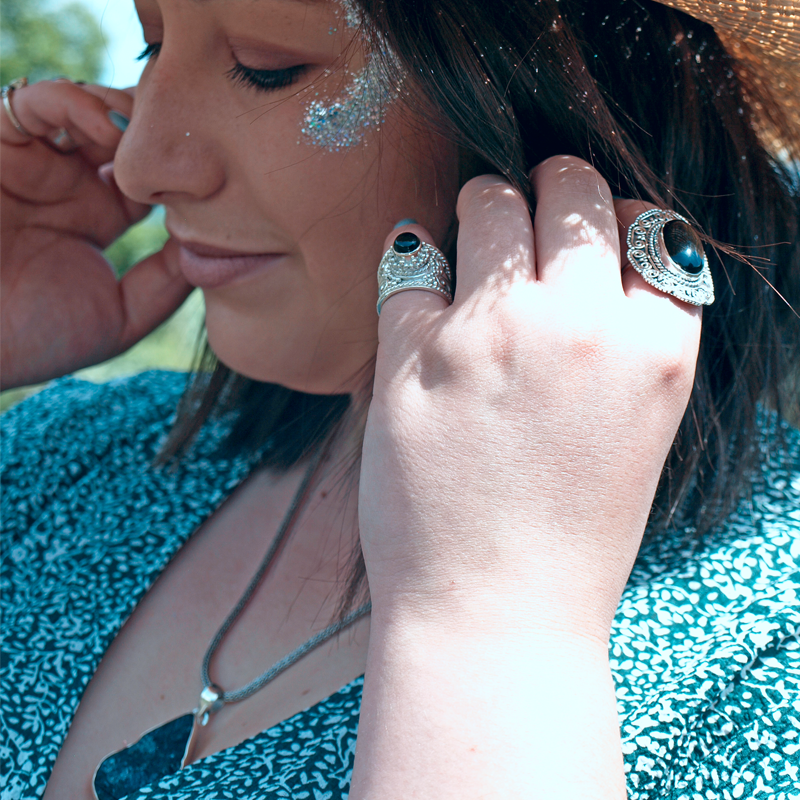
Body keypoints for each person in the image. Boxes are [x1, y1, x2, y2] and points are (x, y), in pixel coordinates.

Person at [1, 0, 798, 798]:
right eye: (153, 48)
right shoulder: (68, 455)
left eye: (265, 67)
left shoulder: (772, 641)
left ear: (555, 90)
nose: (138, 165)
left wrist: (496, 627)